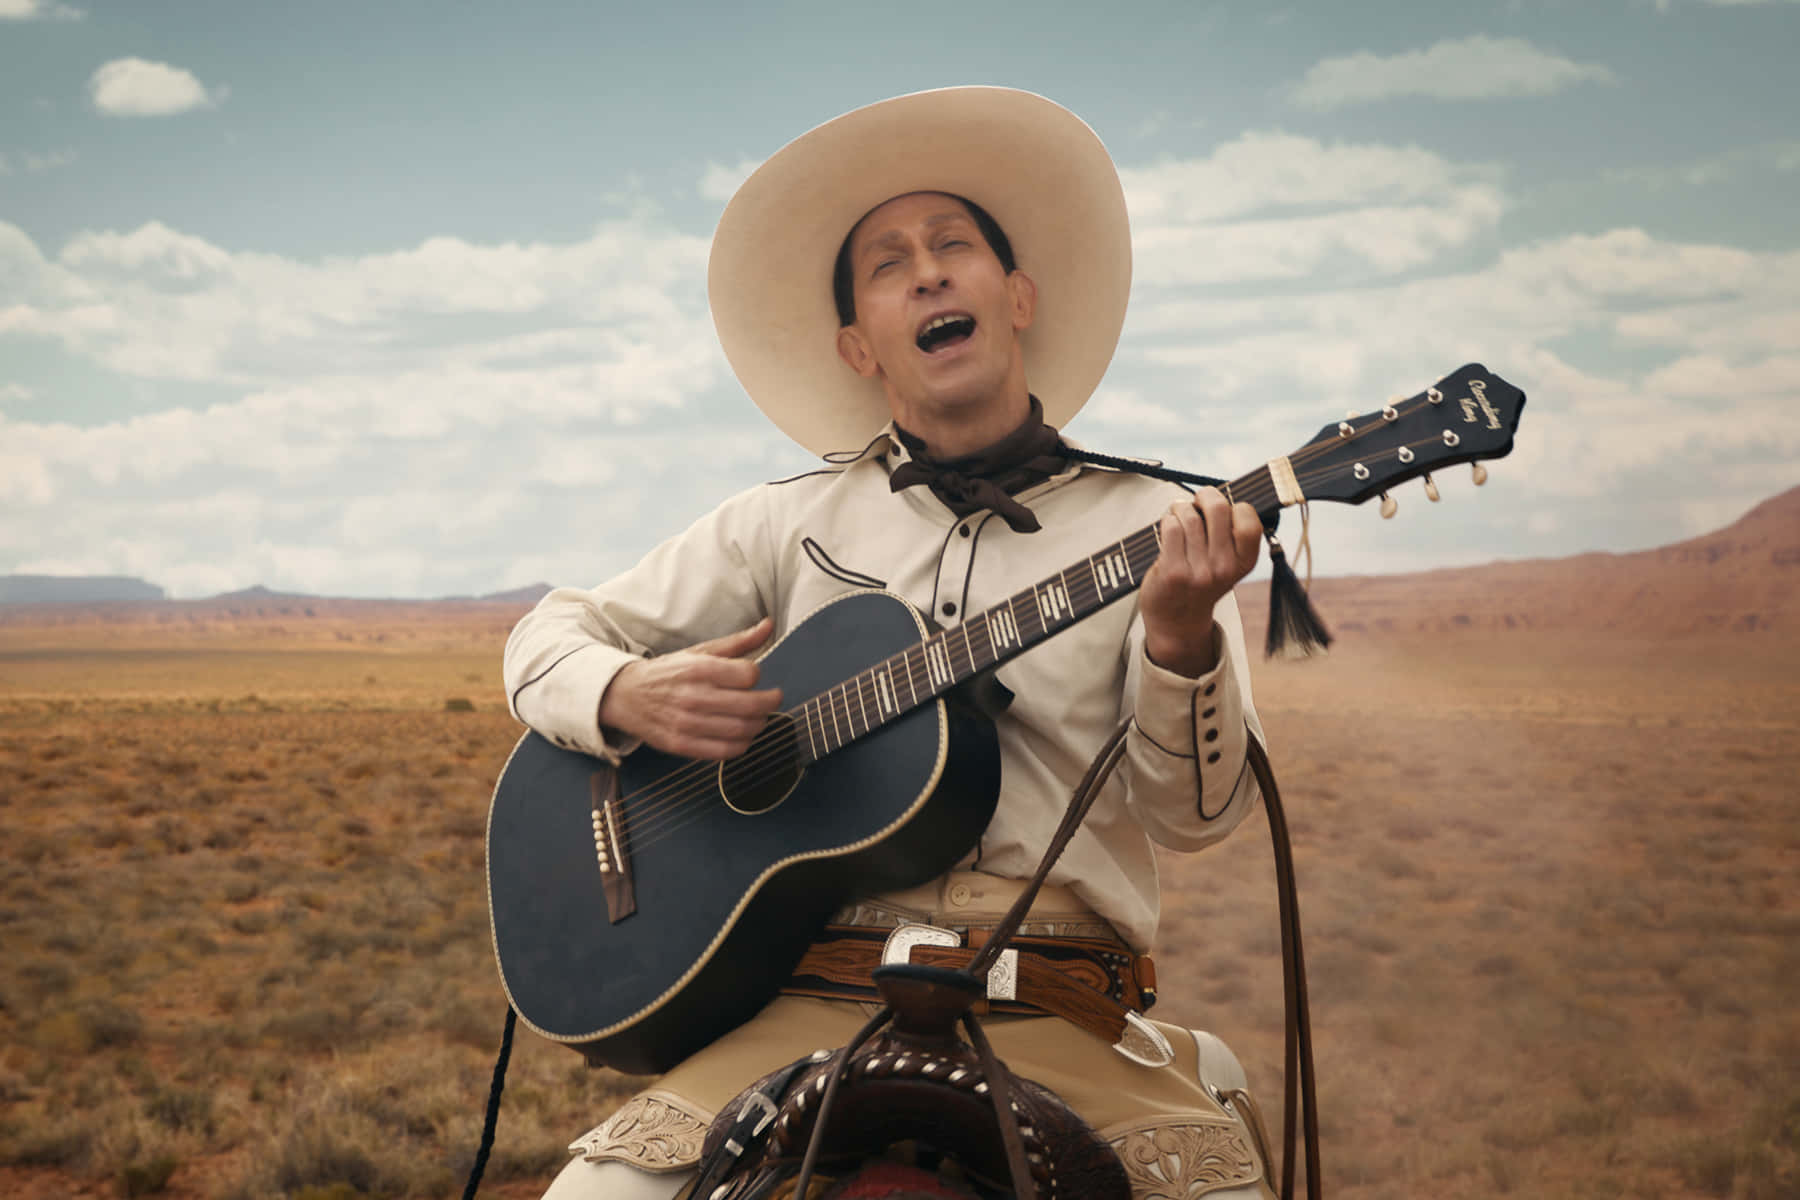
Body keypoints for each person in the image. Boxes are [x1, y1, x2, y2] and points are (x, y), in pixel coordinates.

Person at [505, 87, 1278, 1200]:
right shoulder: (787, 520)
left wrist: (1180, 639)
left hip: (1059, 999)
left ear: (1015, 298)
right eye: (888, 263)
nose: (927, 271)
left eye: (953, 245)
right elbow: (546, 633)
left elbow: (1199, 819)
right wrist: (627, 692)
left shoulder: (1151, 530)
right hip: (809, 993)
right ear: (859, 346)